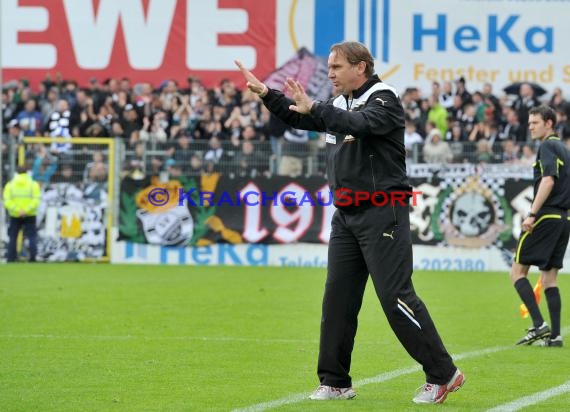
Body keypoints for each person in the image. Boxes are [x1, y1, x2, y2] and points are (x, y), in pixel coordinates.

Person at [235, 41, 464, 404]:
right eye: (328, 67)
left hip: (383, 211)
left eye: (337, 67)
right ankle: (335, 381)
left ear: (361, 67)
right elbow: (300, 115)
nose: (330, 73)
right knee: (337, 301)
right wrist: (267, 93)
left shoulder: (384, 98)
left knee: (396, 299)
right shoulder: (338, 103)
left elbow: (360, 123)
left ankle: (443, 373)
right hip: (346, 216)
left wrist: (319, 108)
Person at [510, 105, 570, 347]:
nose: (531, 127)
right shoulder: (565, 150)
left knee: (516, 272)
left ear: (549, 123)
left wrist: (532, 213)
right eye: (529, 122)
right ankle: (555, 336)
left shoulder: (547, 146)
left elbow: (548, 180)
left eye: (535, 122)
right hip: (564, 219)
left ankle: (538, 325)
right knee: (549, 279)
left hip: (546, 216)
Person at [3, 165, 41, 262]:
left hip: (15, 215)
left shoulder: (10, 185)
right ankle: (33, 258)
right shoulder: (33, 184)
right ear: (27, 172)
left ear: (16, 172)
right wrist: (26, 210)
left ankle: (11, 258)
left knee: (13, 237)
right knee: (32, 236)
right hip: (30, 214)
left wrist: (17, 210)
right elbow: (36, 200)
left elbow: (6, 201)